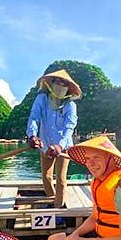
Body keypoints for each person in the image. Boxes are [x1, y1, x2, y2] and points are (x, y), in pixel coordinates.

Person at [26, 69, 81, 208]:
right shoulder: (42, 99)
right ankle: (52, 200)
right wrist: (32, 135)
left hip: (64, 148)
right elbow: (34, 118)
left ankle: (58, 208)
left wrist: (59, 146)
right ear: (51, 83)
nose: (60, 85)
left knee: (61, 179)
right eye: (57, 82)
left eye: (64, 83)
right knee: (46, 177)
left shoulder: (70, 105)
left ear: (68, 88)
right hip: (45, 144)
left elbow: (70, 126)